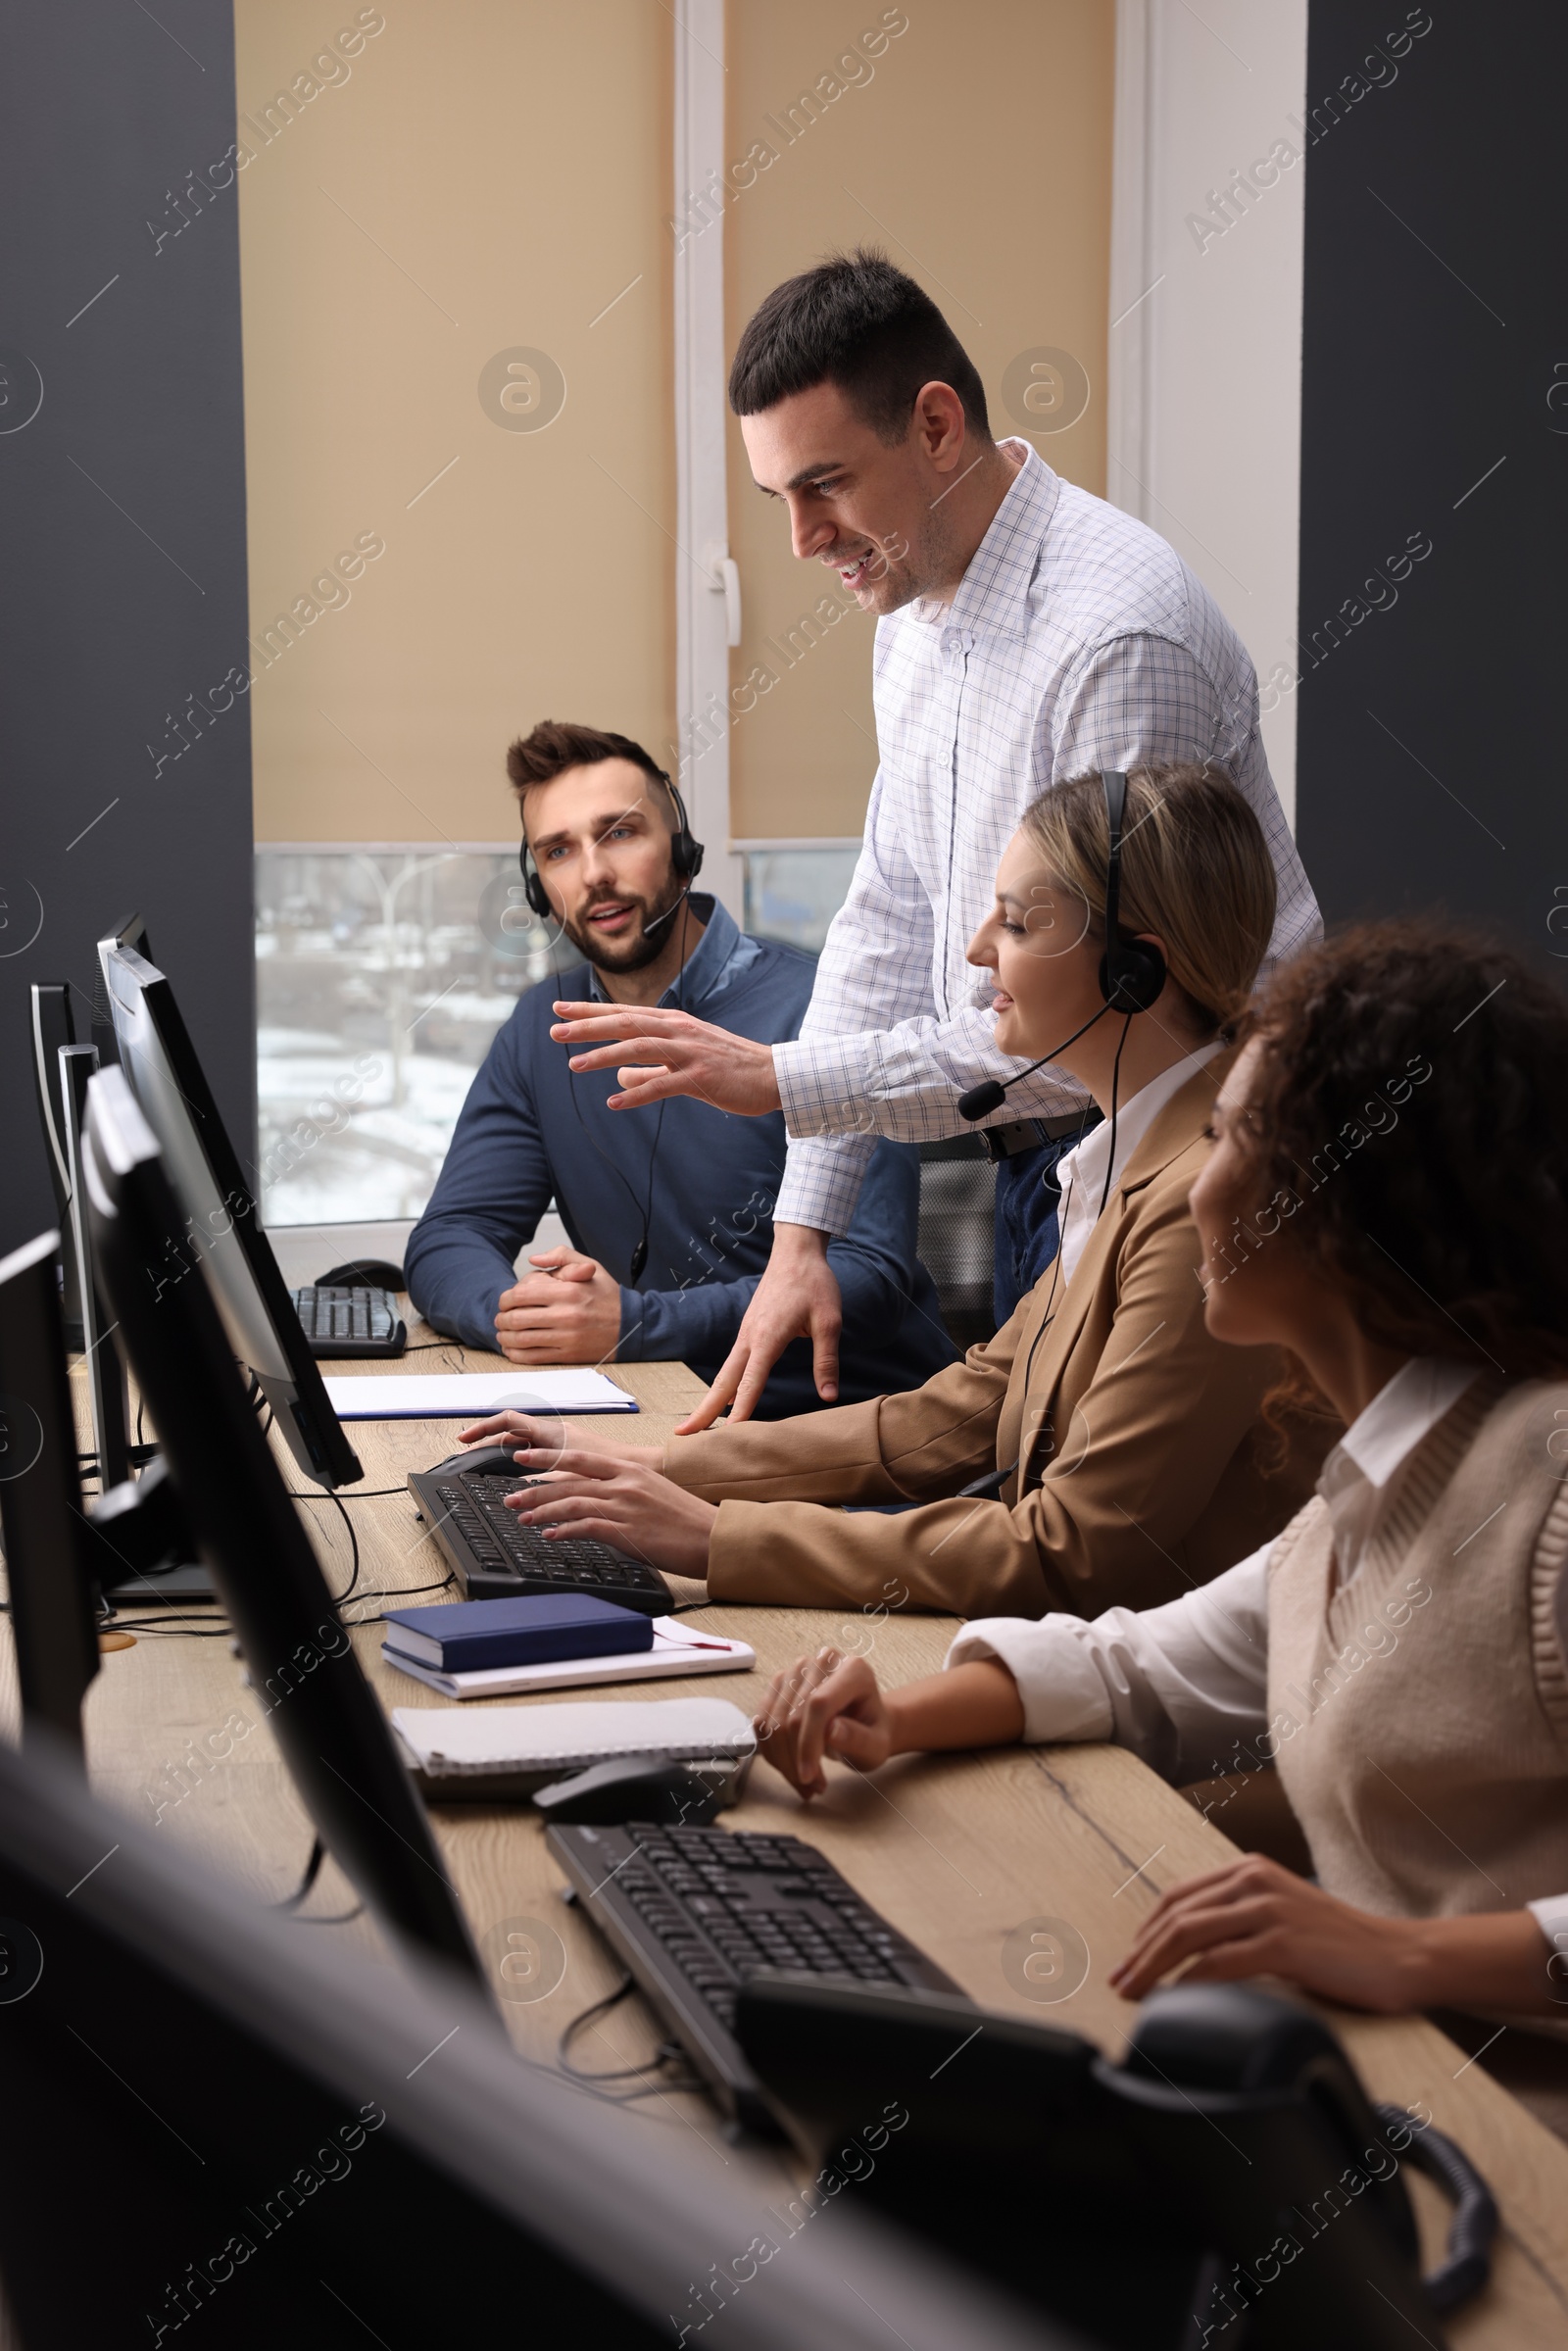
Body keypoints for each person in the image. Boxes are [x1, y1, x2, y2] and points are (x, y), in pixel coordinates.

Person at [545, 250, 1322, 1433]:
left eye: (824, 486)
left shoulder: (1115, 638)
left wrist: (775, 1080)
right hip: (1047, 1163)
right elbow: (888, 915)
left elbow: (1098, 1023)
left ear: (938, 426)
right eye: (780, 502)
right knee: (1018, 1514)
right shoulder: (911, 603)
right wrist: (801, 1234)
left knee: (1092, 1569)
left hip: (1195, 1166)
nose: (803, 539)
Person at [754, 923, 1568, 2036]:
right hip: (1406, 2089)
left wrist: (1408, 1955)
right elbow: (1143, 1669)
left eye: (1231, 1134)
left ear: (1349, 1197)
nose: (1197, 1186)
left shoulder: (1546, 1485)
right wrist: (891, 1717)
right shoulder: (1370, 1487)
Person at [457, 762, 1332, 1618]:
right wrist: (642, 1465)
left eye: (1019, 922)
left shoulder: (1202, 1203)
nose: (977, 949)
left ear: (1131, 972)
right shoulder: (1117, 1165)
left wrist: (715, 1540)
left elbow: (1072, 1550)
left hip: (1180, 1734)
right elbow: (951, 1417)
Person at [404, 721, 953, 1417]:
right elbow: (451, 1235)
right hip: (665, 1421)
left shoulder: (824, 1011)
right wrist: (525, 1315)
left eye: (620, 833)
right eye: (558, 850)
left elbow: (870, 1278)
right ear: (538, 886)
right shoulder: (541, 1030)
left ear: (682, 850)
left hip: (860, 1441)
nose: (593, 871)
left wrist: (634, 1323)